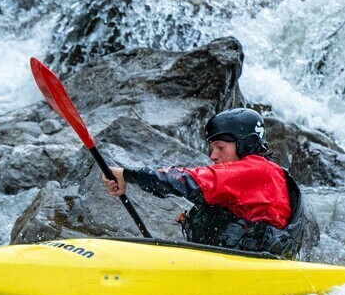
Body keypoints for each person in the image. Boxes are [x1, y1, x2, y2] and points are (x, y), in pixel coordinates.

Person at [102, 108, 307, 259]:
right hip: (245, 260)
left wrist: (127, 174)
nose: (213, 156)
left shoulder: (257, 170)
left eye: (220, 147)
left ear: (246, 144)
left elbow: (186, 181)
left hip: (251, 263)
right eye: (212, 148)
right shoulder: (260, 175)